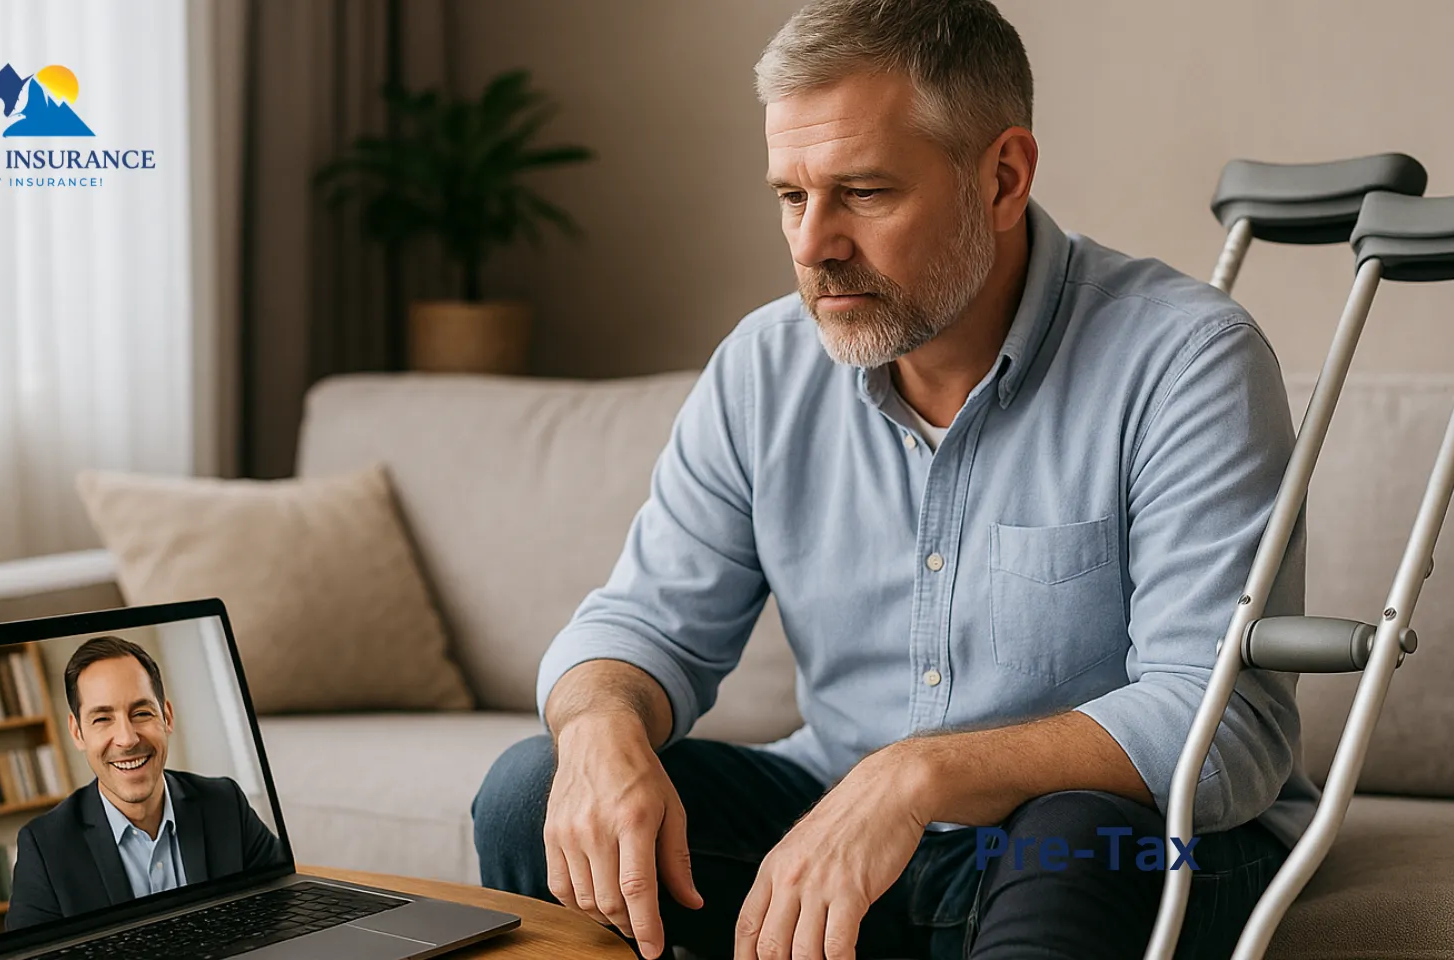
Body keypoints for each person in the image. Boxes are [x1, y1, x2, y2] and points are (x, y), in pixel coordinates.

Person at [471, 1, 1320, 958]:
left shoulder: (1184, 360)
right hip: (851, 825)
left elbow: (1217, 721)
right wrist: (595, 727)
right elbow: (643, 623)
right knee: (530, 787)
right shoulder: (765, 367)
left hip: (1132, 848)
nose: (811, 244)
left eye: (863, 193)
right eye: (792, 196)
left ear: (1003, 177)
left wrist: (913, 777)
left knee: (1071, 835)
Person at [5, 636, 283, 930]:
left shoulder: (225, 802)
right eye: (102, 719)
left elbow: (281, 901)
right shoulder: (44, 846)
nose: (127, 739)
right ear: (77, 733)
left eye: (141, 713)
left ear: (167, 717)